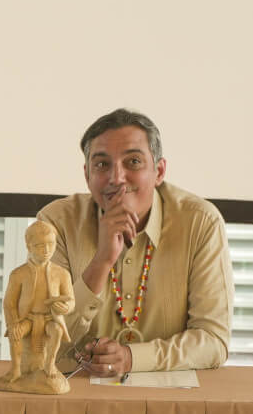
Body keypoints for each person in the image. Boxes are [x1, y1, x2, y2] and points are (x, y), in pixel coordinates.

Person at [38, 108, 233, 375]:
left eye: (133, 162)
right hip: (77, 397)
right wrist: (101, 262)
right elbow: (43, 345)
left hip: (173, 403)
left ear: (159, 171)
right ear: (87, 176)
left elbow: (213, 341)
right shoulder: (55, 223)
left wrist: (132, 359)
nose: (116, 178)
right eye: (102, 165)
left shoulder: (201, 222)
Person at [0, 220, 74, 389]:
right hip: (28, 319)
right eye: (39, 245)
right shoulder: (18, 274)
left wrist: (65, 307)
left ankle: (50, 364)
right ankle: (16, 369)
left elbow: (70, 300)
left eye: (51, 244)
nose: (46, 250)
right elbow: (9, 303)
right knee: (15, 334)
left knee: (57, 331)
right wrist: (14, 322)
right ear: (28, 246)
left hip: (49, 319)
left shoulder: (62, 274)